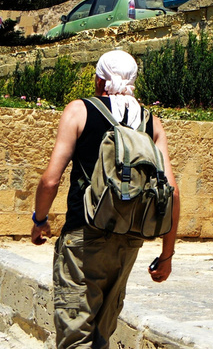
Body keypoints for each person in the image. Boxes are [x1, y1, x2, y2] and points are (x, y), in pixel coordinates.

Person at [31, 49, 180, 348]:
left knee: (76, 335)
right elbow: (172, 193)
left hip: (84, 238)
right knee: (102, 333)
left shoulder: (80, 110)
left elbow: (50, 179)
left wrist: (40, 220)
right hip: (128, 242)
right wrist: (166, 255)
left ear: (100, 81)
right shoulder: (152, 123)